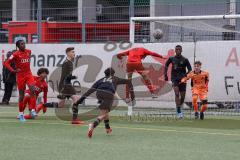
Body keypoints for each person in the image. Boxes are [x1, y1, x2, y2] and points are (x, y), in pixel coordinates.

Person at [74, 67, 135, 138]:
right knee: (105, 113)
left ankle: (107, 128)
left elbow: (90, 91)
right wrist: (132, 96)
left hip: (99, 94)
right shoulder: (115, 78)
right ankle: (93, 125)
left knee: (105, 111)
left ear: (105, 74)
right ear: (113, 74)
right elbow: (128, 82)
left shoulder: (100, 80)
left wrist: (79, 101)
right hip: (108, 94)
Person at [4, 40, 36, 122]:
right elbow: (6, 63)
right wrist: (13, 70)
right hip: (20, 76)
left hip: (28, 74)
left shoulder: (29, 52)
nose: (24, 45)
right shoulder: (15, 54)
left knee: (33, 90)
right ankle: (21, 113)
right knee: (21, 95)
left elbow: (26, 63)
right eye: (22, 44)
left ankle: (32, 110)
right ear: (18, 46)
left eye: (24, 43)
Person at [57, 47, 84, 124]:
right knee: (60, 105)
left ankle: (74, 119)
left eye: (74, 52)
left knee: (76, 100)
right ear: (68, 53)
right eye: (72, 52)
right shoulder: (66, 63)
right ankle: (43, 105)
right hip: (65, 85)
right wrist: (74, 77)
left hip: (68, 85)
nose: (74, 53)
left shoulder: (70, 62)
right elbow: (65, 76)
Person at [164, 45, 192, 118]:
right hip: (174, 79)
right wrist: (165, 75)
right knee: (177, 93)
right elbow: (166, 65)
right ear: (175, 50)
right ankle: (179, 111)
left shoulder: (185, 59)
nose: (178, 51)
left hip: (183, 79)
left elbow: (190, 69)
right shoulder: (171, 58)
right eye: (177, 49)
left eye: (179, 49)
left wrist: (186, 75)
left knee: (182, 97)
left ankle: (179, 107)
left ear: (181, 50)